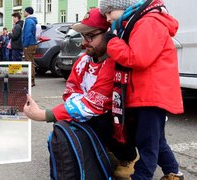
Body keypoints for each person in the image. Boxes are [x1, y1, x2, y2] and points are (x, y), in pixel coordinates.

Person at [24, 8, 139, 179]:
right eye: (84, 37)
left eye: (90, 36)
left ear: (108, 34)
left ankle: (129, 156)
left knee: (101, 118)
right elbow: (71, 90)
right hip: (95, 110)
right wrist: (73, 109)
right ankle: (101, 146)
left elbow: (94, 103)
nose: (84, 43)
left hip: (122, 116)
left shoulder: (114, 63)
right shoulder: (83, 60)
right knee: (73, 115)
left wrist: (43, 114)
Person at [99, 0, 184, 179]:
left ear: (126, 6)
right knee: (155, 140)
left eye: (109, 11)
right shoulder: (140, 22)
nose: (107, 18)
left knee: (147, 141)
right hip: (147, 93)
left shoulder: (148, 22)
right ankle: (173, 172)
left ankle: (142, 176)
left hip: (151, 93)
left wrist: (113, 42)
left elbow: (138, 58)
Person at [22, 7, 38, 87]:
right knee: (31, 62)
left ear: (27, 12)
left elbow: (27, 34)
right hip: (33, 43)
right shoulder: (33, 20)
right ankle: (32, 80)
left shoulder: (28, 21)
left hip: (29, 44)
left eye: (24, 11)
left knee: (29, 62)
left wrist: (25, 45)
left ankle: (31, 80)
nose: (23, 13)